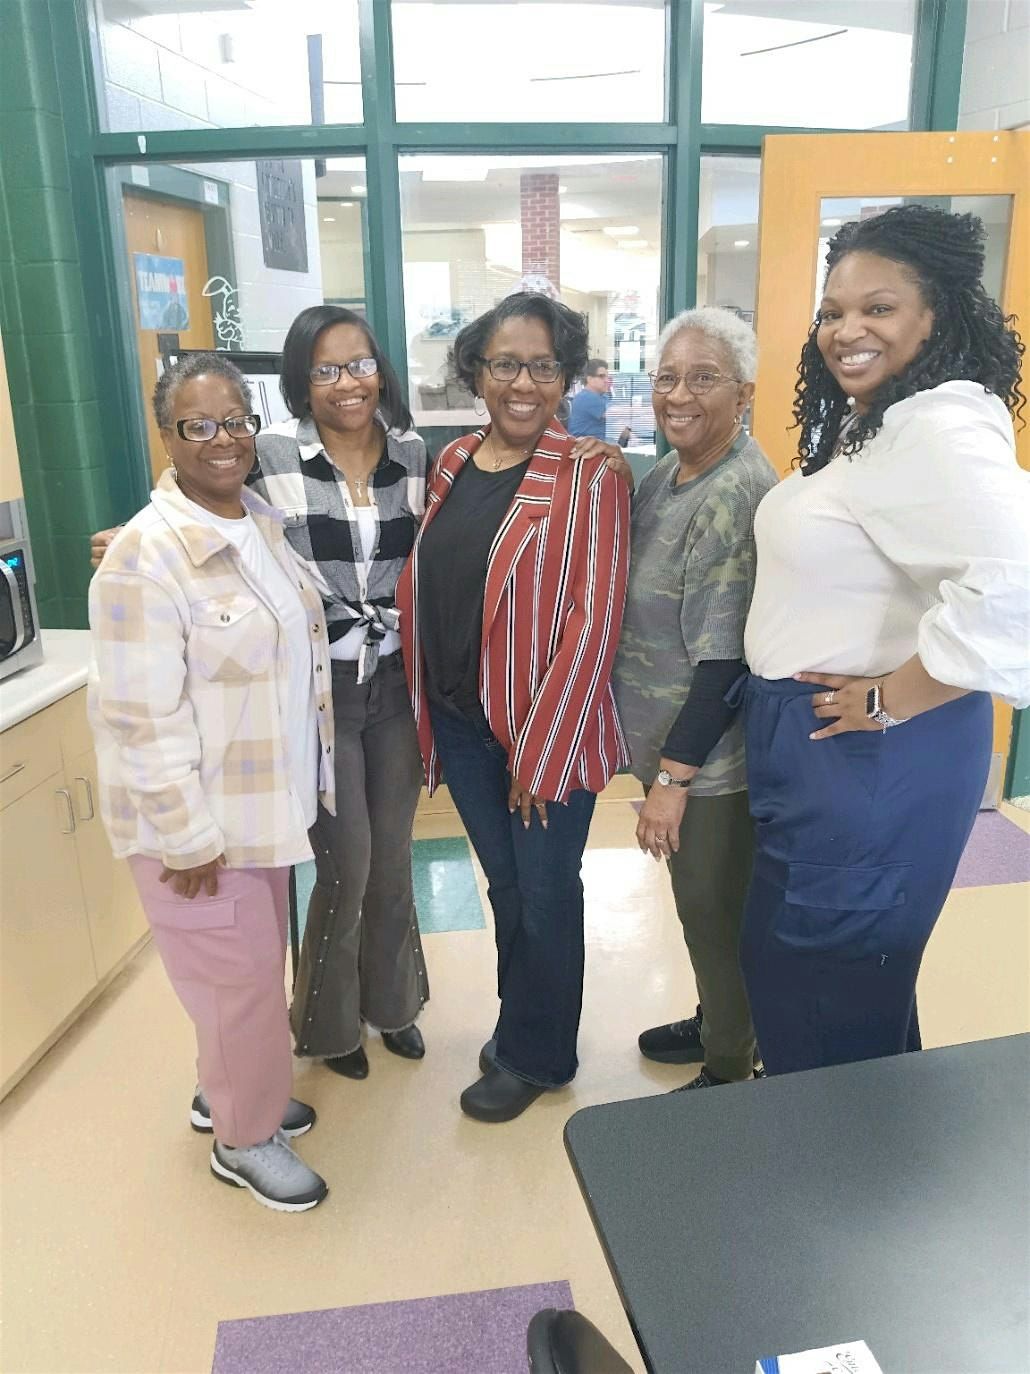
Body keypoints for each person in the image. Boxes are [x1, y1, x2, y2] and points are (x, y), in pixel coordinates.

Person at [92, 306, 431, 1083]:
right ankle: (330, 1025)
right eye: (325, 370)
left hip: (396, 682)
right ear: (301, 383)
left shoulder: (413, 454)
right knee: (346, 863)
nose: (347, 384)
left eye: (359, 364)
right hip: (318, 692)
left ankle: (393, 1005)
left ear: (380, 370)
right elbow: (198, 495)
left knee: (393, 858)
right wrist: (126, 536)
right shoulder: (269, 450)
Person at [737, 204, 1030, 1076]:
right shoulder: (876, 424)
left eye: (879, 307)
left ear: (936, 314)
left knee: (822, 996)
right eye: (833, 311)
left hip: (868, 751)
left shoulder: (936, 422)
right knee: (830, 990)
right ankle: (863, 1149)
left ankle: (836, 1159)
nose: (846, 329)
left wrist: (888, 696)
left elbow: (1016, 584)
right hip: (823, 746)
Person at [88, 354, 333, 1211]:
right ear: (168, 436)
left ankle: (233, 1090)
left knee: (245, 979)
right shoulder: (144, 557)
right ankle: (244, 1137)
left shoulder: (257, 522)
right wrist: (185, 836)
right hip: (198, 831)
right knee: (239, 986)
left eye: (235, 420)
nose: (222, 439)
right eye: (198, 425)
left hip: (259, 814)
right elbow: (139, 715)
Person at [397, 293, 630, 1123]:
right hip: (463, 724)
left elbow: (594, 621)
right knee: (507, 887)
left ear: (565, 377)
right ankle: (523, 1024)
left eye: (542, 366)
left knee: (546, 891)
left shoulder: (591, 472)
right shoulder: (454, 460)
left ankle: (539, 1056)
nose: (523, 383)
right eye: (505, 364)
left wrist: (543, 752)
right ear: (477, 372)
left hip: (544, 733)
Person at [612, 308, 776, 1091]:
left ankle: (730, 1066)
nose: (679, 395)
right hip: (674, 750)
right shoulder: (669, 475)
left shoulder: (734, 493)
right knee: (700, 906)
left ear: (744, 393)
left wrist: (673, 781)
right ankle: (721, 1021)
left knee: (713, 912)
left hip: (710, 762)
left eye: (703, 378)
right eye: (668, 377)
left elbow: (724, 662)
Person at [567, 357, 610, 439]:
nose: (607, 380)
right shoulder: (586, 397)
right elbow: (613, 414)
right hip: (585, 445)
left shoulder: (602, 396)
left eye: (607, 377)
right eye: (602, 376)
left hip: (599, 443)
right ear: (589, 379)